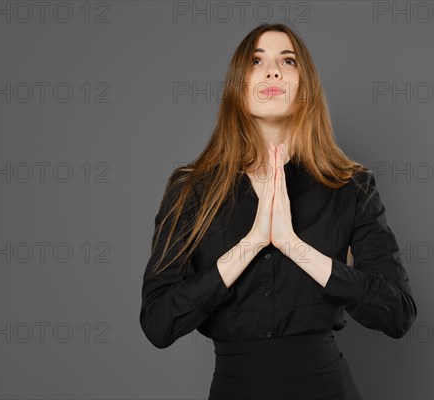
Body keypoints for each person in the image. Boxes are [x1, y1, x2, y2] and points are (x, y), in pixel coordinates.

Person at [139, 23, 417, 400]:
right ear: (238, 84)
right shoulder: (191, 188)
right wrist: (252, 243)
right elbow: (159, 324)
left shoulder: (351, 186)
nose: (272, 71)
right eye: (257, 61)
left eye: (287, 61)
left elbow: (396, 313)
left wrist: (294, 246)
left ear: (304, 86)